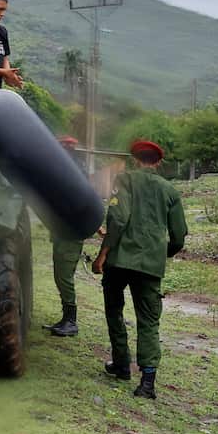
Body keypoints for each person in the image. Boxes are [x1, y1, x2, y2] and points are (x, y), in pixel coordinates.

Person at [92, 139, 188, 399]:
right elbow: (179, 236)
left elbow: (118, 218)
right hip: (150, 266)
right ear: (157, 162)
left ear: (135, 159)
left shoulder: (123, 180)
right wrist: (160, 254)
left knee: (114, 309)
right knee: (148, 321)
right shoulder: (169, 190)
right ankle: (147, 383)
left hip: (120, 261)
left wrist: (102, 254)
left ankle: (121, 365)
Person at [43, 136, 86, 337]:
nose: (66, 148)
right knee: (60, 277)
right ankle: (66, 318)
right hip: (63, 233)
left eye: (69, 146)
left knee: (65, 278)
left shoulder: (75, 172)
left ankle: (71, 321)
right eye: (64, 145)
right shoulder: (66, 171)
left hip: (71, 234)